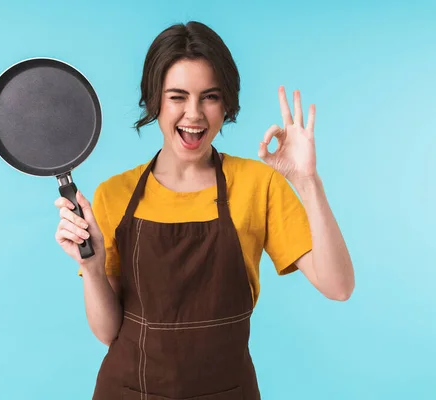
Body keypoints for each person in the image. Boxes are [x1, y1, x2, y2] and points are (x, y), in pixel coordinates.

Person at [54, 21, 354, 400]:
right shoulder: (116, 194)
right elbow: (106, 332)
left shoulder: (257, 185)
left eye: (209, 96)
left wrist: (308, 181)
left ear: (226, 102)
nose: (193, 114)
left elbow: (339, 286)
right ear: (154, 101)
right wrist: (93, 270)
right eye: (177, 96)